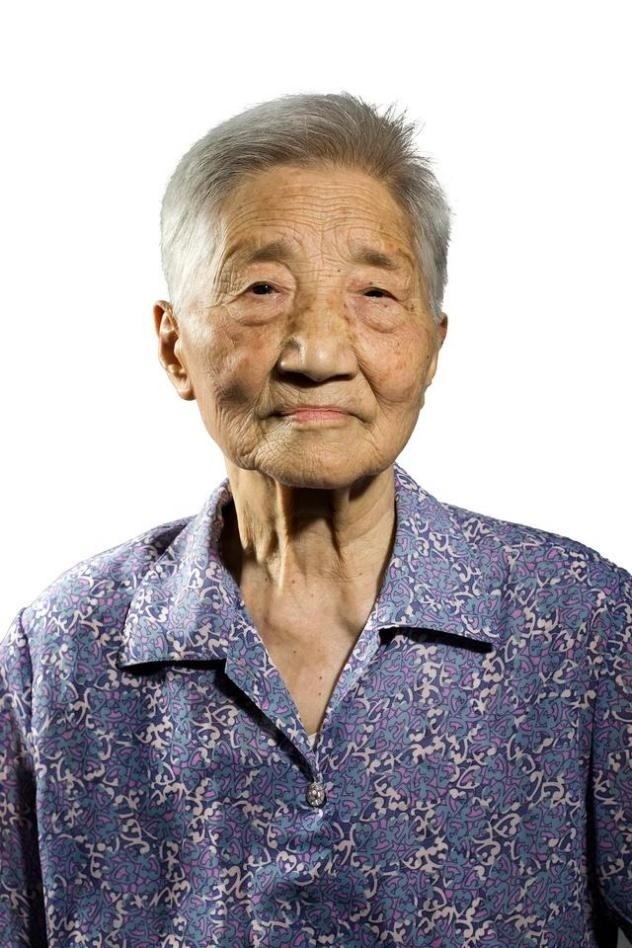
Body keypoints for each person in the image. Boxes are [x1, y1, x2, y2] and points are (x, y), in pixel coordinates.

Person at [0, 93, 630, 947]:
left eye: (376, 292)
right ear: (175, 345)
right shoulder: (60, 652)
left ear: (433, 344)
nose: (319, 353)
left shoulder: (583, 625)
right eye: (262, 289)